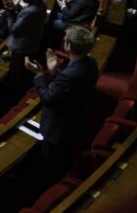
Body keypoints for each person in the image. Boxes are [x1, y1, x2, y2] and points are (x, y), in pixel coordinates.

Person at [25, 26, 98, 183]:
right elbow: (69, 88)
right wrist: (54, 71)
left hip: (58, 129)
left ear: (69, 45)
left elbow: (48, 99)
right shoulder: (91, 62)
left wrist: (39, 75)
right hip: (76, 119)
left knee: (52, 164)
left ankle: (52, 184)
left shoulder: (69, 75)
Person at [7, 0, 47, 98]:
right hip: (32, 45)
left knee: (16, 81)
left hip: (21, 50)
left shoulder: (30, 12)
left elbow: (13, 29)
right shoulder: (42, 4)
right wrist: (17, 7)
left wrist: (10, 11)